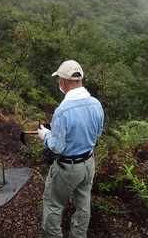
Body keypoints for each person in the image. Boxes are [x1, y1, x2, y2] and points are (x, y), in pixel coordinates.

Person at [38, 60, 104, 238]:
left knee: (53, 205)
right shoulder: (96, 104)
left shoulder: (63, 111)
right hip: (88, 163)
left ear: (62, 81)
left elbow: (57, 147)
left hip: (67, 167)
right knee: (83, 206)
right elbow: (97, 134)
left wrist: (45, 135)